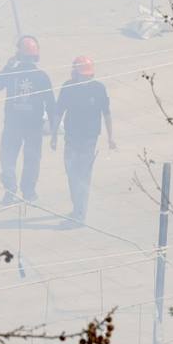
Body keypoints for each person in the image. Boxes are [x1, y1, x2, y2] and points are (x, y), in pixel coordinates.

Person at [49, 55, 115, 226]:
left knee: (81, 176)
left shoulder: (98, 89)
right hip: (71, 140)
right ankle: (78, 208)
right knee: (73, 175)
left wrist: (110, 137)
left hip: (87, 142)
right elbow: (59, 112)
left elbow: (106, 113)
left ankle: (79, 215)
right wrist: (54, 135)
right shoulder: (68, 88)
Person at [0, 34, 55, 204]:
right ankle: (28, 192)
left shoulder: (11, 72)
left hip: (13, 125)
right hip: (33, 127)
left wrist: (7, 66)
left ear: (19, 54)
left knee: (8, 158)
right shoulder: (42, 76)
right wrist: (54, 129)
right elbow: (51, 104)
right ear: (36, 55)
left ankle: (10, 190)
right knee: (32, 160)